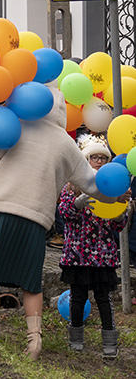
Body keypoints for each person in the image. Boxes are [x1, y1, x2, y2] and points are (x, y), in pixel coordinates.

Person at [0, 88, 123, 360]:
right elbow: (91, 183)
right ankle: (34, 340)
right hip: (36, 217)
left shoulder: (17, 125)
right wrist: (117, 193)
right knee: (31, 282)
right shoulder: (65, 143)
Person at [60, 135, 127, 359]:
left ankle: (110, 340)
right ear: (84, 160)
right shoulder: (72, 187)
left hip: (103, 256)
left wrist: (121, 214)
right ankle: (75, 338)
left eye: (102, 158)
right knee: (77, 298)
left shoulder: (113, 189)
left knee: (104, 299)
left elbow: (119, 226)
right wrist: (77, 203)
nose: (98, 161)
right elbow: (64, 214)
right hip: (78, 255)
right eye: (93, 157)